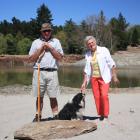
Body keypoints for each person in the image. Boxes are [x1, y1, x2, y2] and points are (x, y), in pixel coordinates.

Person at [28, 23, 64, 122]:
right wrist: (40, 49)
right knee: (39, 97)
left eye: (48, 30)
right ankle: (38, 116)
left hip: (52, 72)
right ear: (41, 32)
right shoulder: (35, 42)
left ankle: (56, 116)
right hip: (39, 72)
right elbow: (31, 59)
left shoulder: (56, 42)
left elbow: (60, 58)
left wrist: (51, 48)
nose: (46, 32)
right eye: (44, 31)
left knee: (53, 96)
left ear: (51, 31)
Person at [81, 36, 119, 121]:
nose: (91, 44)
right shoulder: (87, 54)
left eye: (92, 42)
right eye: (89, 44)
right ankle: (101, 114)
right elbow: (86, 70)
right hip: (94, 78)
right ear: (87, 46)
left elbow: (111, 63)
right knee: (97, 97)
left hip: (104, 77)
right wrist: (84, 83)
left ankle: (105, 115)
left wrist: (114, 76)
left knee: (104, 96)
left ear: (95, 42)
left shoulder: (103, 50)